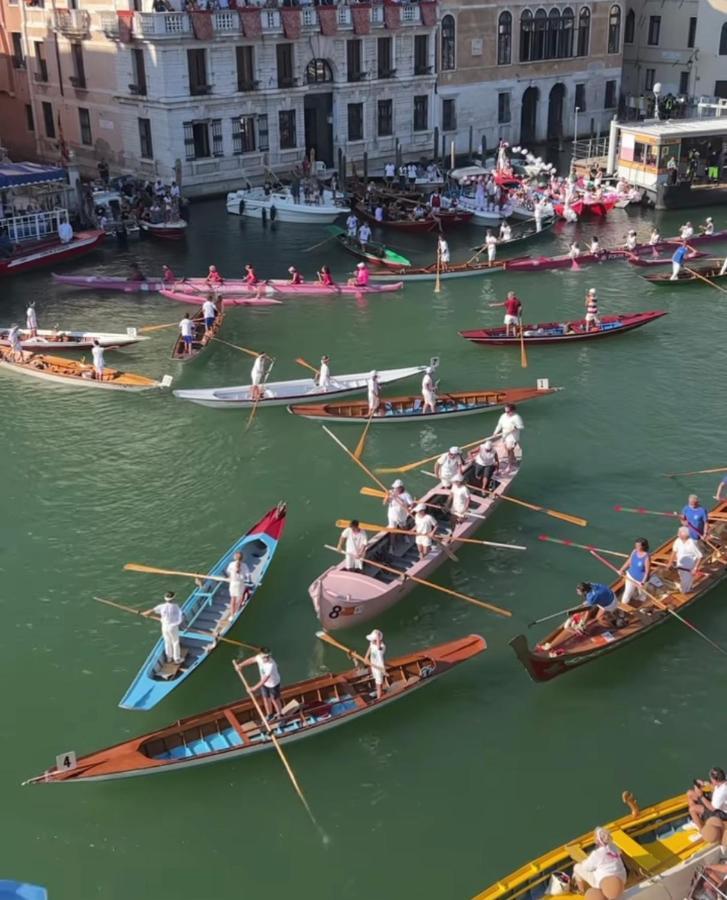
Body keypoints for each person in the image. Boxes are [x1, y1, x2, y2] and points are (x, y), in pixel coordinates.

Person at [572, 827, 627, 898]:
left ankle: (581, 891)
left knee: (576, 867)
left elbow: (586, 868)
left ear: (597, 840)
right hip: (622, 879)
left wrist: (585, 861)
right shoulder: (613, 846)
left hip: (604, 882)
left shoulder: (596, 854)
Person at [237, 648, 284, 720]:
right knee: (265, 698)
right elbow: (252, 660)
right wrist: (241, 665)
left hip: (273, 684)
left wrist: (253, 688)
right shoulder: (259, 657)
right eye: (265, 657)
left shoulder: (271, 665)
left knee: (274, 699)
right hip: (264, 684)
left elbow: (264, 680)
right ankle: (270, 714)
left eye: (268, 656)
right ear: (261, 656)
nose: (266, 658)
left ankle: (280, 714)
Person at [143, 591, 184, 665]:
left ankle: (169, 658)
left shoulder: (161, 606)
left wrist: (144, 614)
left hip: (164, 626)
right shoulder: (176, 606)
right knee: (175, 642)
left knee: (167, 641)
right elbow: (180, 617)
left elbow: (150, 611)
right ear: (173, 598)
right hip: (173, 627)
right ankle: (177, 659)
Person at [687, 768, 727, 840]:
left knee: (692, 809)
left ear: (715, 780)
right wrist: (704, 783)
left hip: (721, 813)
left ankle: (702, 831)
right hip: (716, 802)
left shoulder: (721, 792)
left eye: (711, 779)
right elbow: (715, 785)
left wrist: (701, 796)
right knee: (690, 793)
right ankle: (698, 820)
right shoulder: (723, 781)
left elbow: (712, 808)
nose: (710, 780)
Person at [669, 526, 703, 593]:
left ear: (685, 535)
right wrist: (670, 562)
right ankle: (687, 588)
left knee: (686, 583)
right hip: (680, 566)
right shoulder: (678, 540)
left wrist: (695, 568)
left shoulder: (692, 543)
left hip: (689, 568)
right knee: (683, 579)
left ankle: (686, 592)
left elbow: (700, 556)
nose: (677, 534)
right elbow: (674, 551)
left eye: (679, 533)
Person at [619, 538, 651, 606]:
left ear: (643, 546)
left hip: (641, 580)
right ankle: (623, 608)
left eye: (638, 546)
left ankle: (641, 604)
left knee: (642, 595)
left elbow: (647, 572)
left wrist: (642, 583)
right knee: (627, 593)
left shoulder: (646, 556)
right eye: (636, 545)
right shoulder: (634, 551)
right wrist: (621, 569)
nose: (636, 547)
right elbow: (629, 561)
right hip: (630, 576)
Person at [494, 404, 523, 470]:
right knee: (507, 449)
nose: (506, 413)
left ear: (513, 411)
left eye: (508, 411)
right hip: (505, 435)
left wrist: (514, 428)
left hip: (513, 437)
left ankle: (509, 466)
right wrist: (495, 432)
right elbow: (499, 425)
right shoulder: (503, 416)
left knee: (509, 450)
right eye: (505, 411)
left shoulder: (517, 417)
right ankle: (514, 459)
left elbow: (521, 426)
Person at [226, 551, 251, 617]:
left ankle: (231, 615)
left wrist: (230, 576)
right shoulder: (244, 565)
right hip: (240, 583)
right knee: (239, 598)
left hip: (233, 583)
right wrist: (249, 581)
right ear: (242, 558)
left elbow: (228, 572)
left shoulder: (231, 564)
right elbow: (248, 574)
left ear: (234, 557)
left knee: (232, 599)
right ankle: (236, 612)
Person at [364, 629, 387, 700]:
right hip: (373, 665)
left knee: (378, 683)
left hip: (379, 667)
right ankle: (380, 692)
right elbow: (370, 648)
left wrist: (377, 637)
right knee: (377, 680)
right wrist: (366, 657)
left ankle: (379, 697)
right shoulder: (372, 643)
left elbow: (378, 647)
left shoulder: (382, 647)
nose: (372, 641)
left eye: (374, 640)